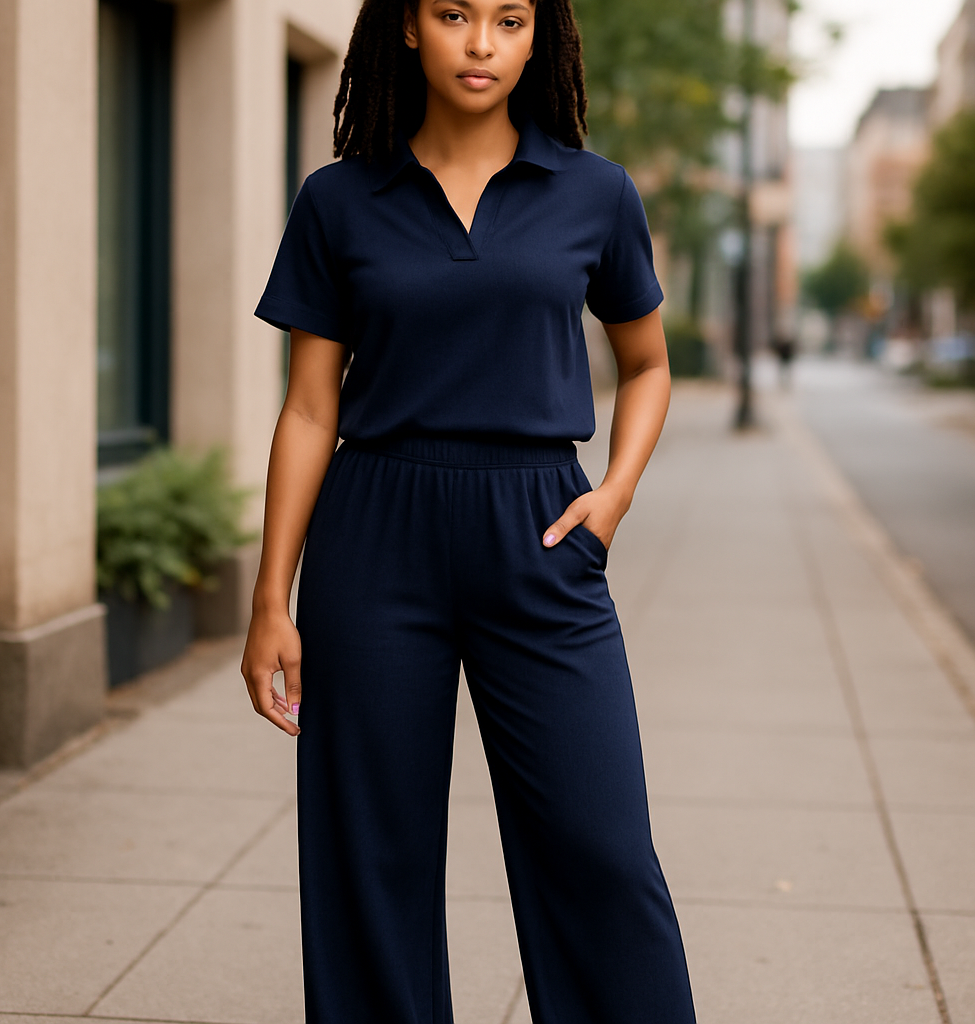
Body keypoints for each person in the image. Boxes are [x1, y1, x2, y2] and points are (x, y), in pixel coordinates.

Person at [240, 1, 697, 1021]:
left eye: (509, 17)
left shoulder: (594, 192)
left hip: (538, 528)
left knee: (599, 845)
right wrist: (272, 597)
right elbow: (312, 407)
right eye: (452, 13)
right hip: (374, 533)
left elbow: (648, 362)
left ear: (540, 38)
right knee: (371, 849)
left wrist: (612, 493)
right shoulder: (339, 200)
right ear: (408, 28)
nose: (481, 42)